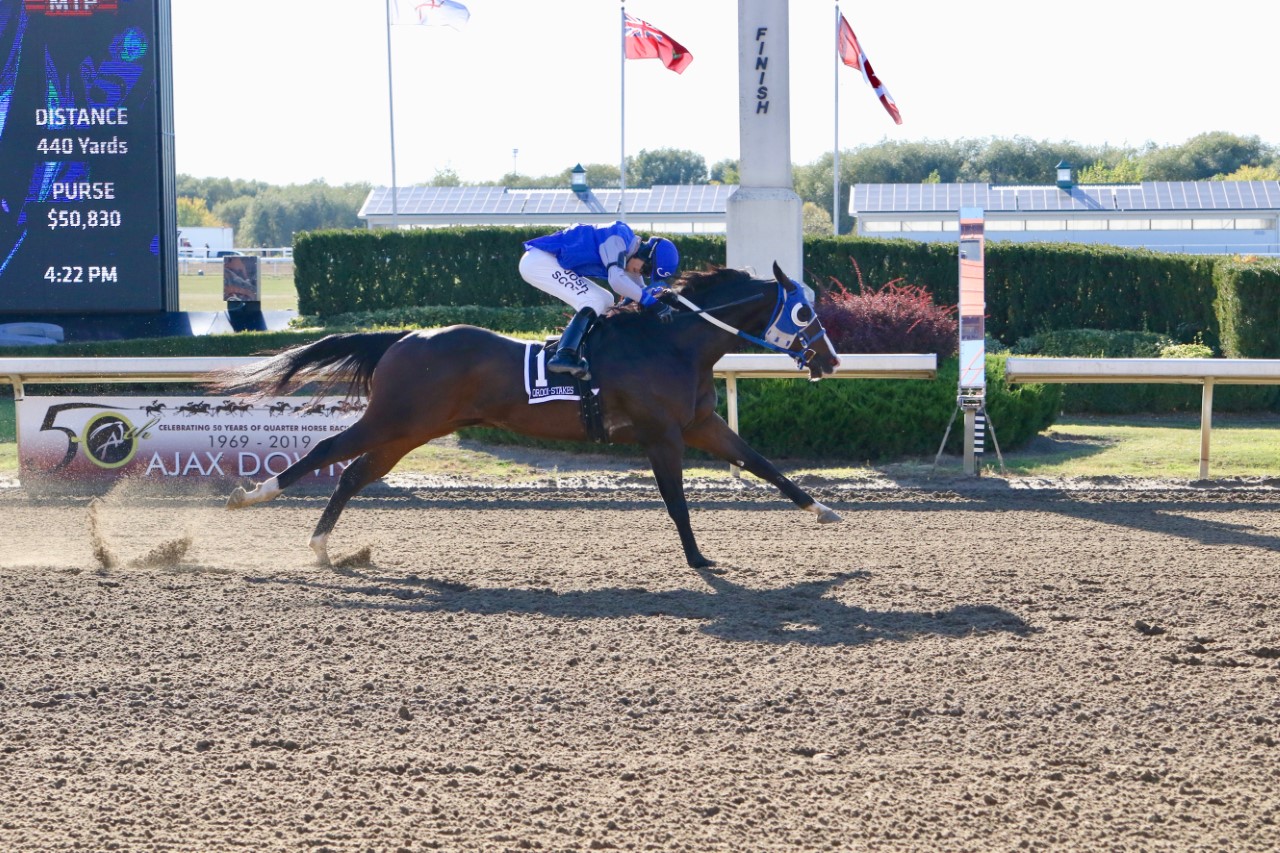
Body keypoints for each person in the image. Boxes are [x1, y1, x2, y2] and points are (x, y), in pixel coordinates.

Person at [519, 221, 680, 379]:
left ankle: (586, 349)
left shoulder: (631, 256)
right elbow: (617, 281)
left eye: (646, 274)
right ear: (646, 253)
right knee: (593, 300)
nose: (641, 273)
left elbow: (638, 291)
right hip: (539, 261)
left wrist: (665, 299)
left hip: (549, 262)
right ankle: (564, 355)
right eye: (646, 269)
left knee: (606, 300)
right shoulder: (618, 238)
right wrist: (652, 303)